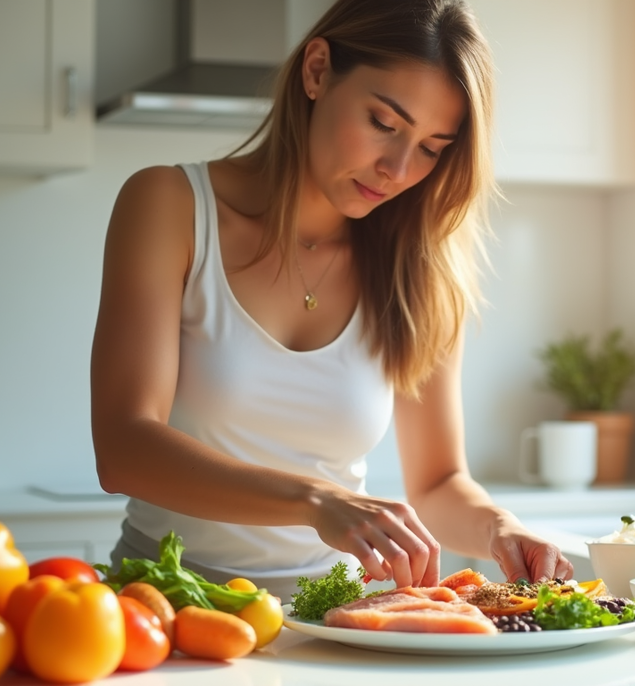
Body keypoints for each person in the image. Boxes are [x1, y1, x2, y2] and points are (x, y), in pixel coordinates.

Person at [90, 0, 574, 601]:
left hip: (332, 620)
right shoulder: (169, 205)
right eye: (384, 122)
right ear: (317, 71)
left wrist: (500, 528)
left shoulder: (417, 267)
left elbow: (440, 480)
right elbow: (123, 446)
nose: (398, 168)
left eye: (431, 147)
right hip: (160, 610)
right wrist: (316, 500)